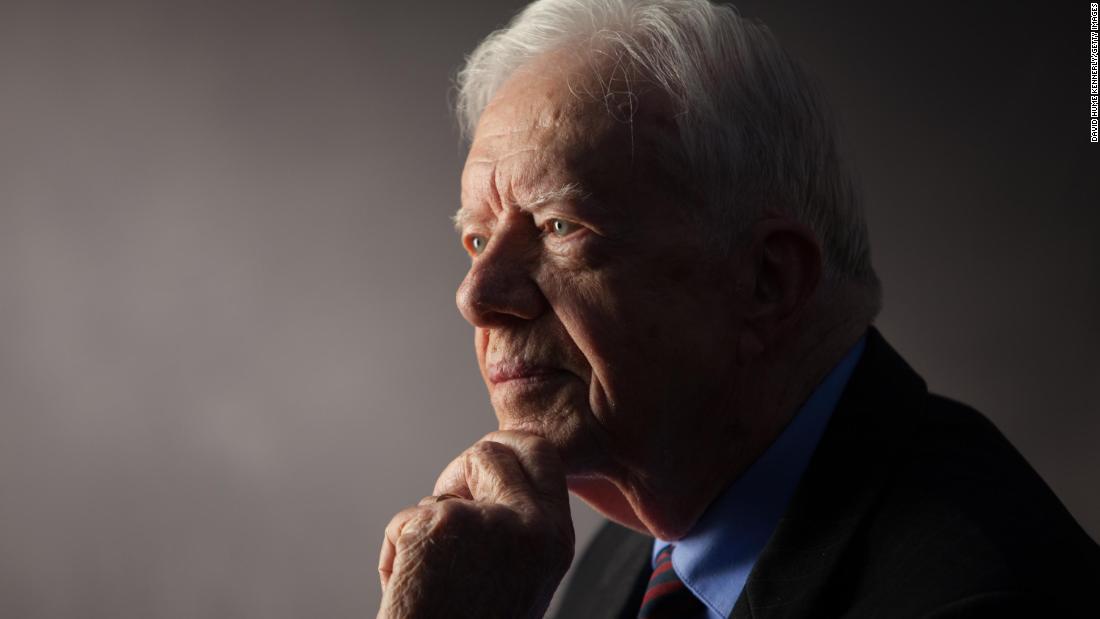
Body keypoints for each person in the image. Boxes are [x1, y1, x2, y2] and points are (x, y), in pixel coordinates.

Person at [376, 1, 1100, 617]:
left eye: (561, 227)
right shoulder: (632, 536)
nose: (476, 295)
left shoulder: (976, 592)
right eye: (477, 237)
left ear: (767, 280)